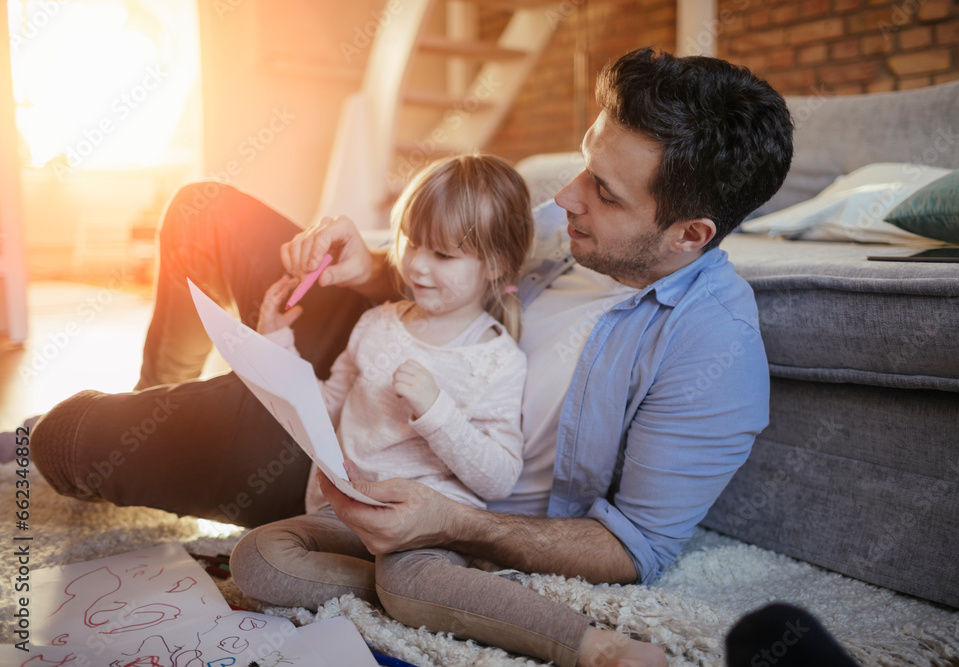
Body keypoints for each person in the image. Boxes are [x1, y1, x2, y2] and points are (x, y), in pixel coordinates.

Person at [28, 47, 794, 666]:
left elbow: (636, 546)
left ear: (689, 233)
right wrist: (365, 264)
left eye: (603, 189)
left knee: (69, 439)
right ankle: (163, 383)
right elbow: (450, 263)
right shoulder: (572, 227)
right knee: (201, 210)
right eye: (583, 164)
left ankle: (163, 419)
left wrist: (455, 523)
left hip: (359, 463)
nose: (562, 194)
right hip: (372, 344)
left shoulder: (712, 353)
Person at [228, 152, 534, 627]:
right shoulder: (376, 324)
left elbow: (498, 479)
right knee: (255, 557)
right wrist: (275, 340)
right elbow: (323, 408)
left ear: (495, 265)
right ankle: (404, 594)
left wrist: (436, 411)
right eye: (412, 244)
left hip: (425, 532)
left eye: (443, 255)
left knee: (410, 573)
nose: (417, 266)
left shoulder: (497, 360)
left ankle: (412, 587)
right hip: (344, 518)